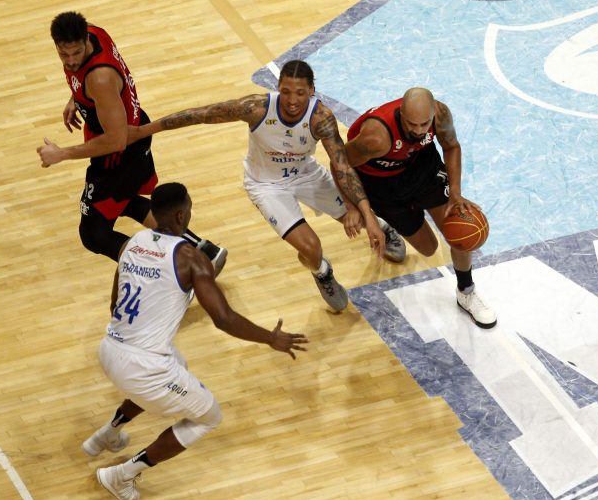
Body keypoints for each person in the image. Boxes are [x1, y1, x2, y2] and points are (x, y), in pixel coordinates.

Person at [85, 182, 308, 500]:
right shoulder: (192, 258)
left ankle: (108, 433)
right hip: (142, 366)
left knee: (179, 363)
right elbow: (223, 318)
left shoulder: (133, 243)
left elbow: (114, 304)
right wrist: (270, 338)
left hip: (109, 348)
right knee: (208, 417)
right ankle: (122, 475)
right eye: (189, 209)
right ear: (181, 216)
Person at [128, 60, 406, 312]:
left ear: (312, 90)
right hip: (266, 185)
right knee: (311, 249)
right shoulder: (256, 108)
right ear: (278, 88)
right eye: (286, 91)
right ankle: (323, 273)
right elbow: (201, 114)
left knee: (358, 218)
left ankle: (381, 227)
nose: (292, 100)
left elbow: (342, 166)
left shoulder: (321, 118)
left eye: (300, 93)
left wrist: (365, 214)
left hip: (305, 174)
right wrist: (143, 130)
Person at [36, 11, 227, 273]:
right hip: (130, 136)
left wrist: (62, 153)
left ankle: (177, 270)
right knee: (124, 200)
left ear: (85, 40)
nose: (70, 61)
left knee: (94, 234)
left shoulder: (99, 79)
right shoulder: (94, 32)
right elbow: (104, 87)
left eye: (76, 53)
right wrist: (77, 98)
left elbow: (116, 140)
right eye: (63, 54)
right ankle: (203, 251)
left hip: (118, 152)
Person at [344, 87, 496, 328]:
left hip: (421, 166)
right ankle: (381, 222)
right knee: (428, 247)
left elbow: (451, 146)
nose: (418, 130)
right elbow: (341, 164)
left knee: (459, 230)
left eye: (424, 124)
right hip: (382, 184)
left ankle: (466, 290)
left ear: (432, 114)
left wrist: (455, 193)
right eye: (411, 124)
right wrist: (356, 209)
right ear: (401, 113)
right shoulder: (376, 138)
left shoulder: (440, 114)